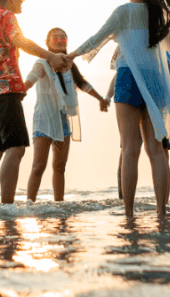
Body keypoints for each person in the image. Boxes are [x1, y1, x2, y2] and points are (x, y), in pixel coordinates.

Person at [67, 0, 170, 216]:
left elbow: (97, 39)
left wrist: (70, 56)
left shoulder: (123, 12)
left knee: (130, 148)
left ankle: (129, 215)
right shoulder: (155, 15)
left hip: (128, 78)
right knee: (156, 149)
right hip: (155, 82)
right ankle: (162, 212)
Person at [0, 0, 70, 204]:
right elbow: (19, 41)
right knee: (16, 148)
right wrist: (49, 56)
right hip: (5, 91)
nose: (22, 1)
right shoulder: (7, 17)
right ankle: (7, 208)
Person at [24, 28, 109, 202]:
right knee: (38, 166)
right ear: (48, 43)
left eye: (63, 37)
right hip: (44, 119)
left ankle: (59, 206)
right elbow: (32, 78)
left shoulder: (70, 66)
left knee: (60, 167)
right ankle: (29, 205)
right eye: (55, 37)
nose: (60, 40)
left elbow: (83, 84)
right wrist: (20, 90)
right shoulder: (42, 63)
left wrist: (101, 99)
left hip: (63, 120)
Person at [106, 47, 170, 199]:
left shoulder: (165, 47)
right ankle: (124, 200)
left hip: (159, 104)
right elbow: (119, 71)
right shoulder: (129, 41)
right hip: (131, 98)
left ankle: (163, 203)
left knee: (160, 150)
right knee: (128, 151)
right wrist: (107, 96)